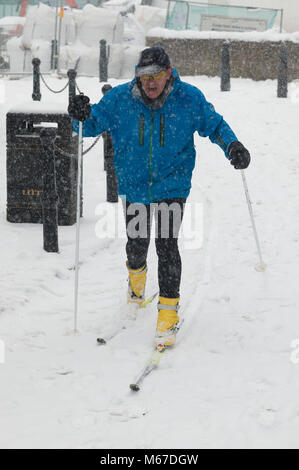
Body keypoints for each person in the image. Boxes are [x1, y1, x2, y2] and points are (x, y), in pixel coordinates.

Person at [68, 46, 250, 348]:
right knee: (137, 245)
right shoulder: (120, 99)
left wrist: (233, 146)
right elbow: (89, 124)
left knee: (167, 245)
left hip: (172, 185)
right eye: (144, 75)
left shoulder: (188, 98)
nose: (150, 82)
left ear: (169, 73)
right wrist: (79, 114)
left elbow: (214, 125)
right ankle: (136, 288)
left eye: (156, 75)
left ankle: (167, 313)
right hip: (135, 184)